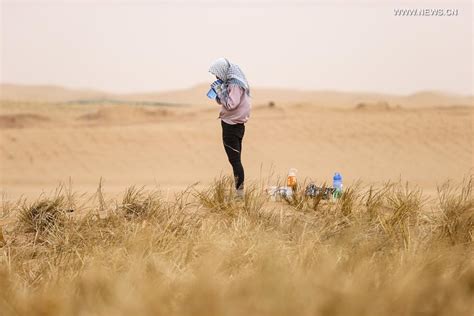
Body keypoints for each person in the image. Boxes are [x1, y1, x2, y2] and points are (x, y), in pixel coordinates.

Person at [208, 58, 251, 198]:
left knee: (235, 161)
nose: (217, 77)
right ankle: (239, 193)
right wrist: (218, 93)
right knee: (235, 160)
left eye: (218, 74)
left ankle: (239, 195)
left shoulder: (234, 84)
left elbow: (231, 104)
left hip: (232, 126)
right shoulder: (233, 83)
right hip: (236, 124)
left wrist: (220, 91)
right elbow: (223, 101)